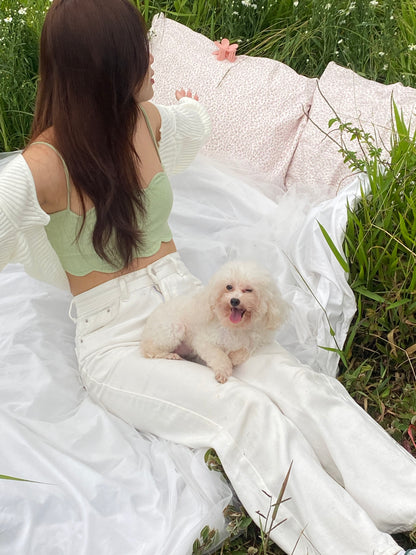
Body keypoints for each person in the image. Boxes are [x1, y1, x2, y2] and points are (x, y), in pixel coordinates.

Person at [0, 1, 415, 554]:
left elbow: (189, 128)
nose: (152, 59)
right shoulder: (40, 166)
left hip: (190, 302)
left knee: (297, 383)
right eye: (137, 50)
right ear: (103, 65)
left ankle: (405, 501)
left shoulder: (144, 120)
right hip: (120, 343)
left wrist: (192, 108)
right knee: (241, 410)